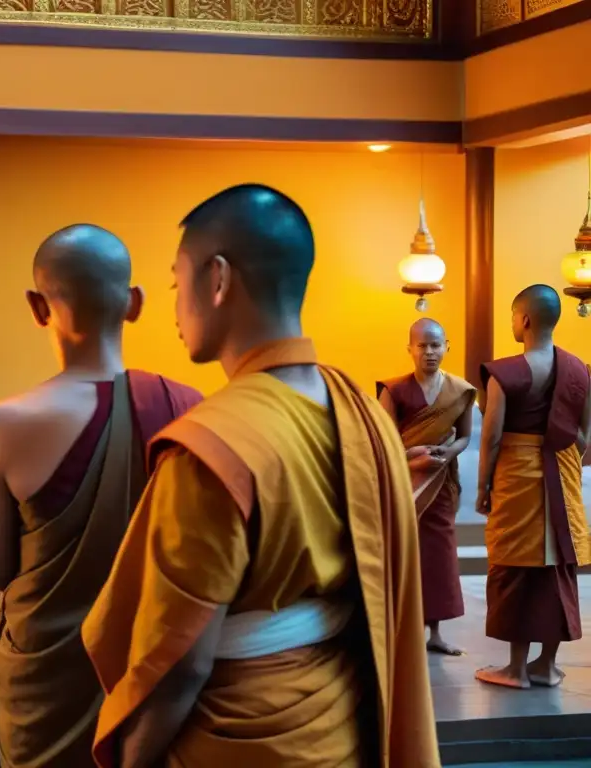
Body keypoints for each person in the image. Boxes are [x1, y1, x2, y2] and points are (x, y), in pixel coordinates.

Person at [81, 184, 439, 767]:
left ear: (217, 280)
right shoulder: (362, 411)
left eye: (178, 283)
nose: (174, 306)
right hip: (342, 720)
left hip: (236, 739)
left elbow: (180, 664)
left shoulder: (211, 445)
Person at [0, 224, 201, 768]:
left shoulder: (7, 422)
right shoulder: (186, 407)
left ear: (36, 307)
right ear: (134, 304)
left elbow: (0, 572)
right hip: (148, 673)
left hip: (44, 680)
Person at [475, 284, 591, 689]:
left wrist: (483, 487)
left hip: (518, 477)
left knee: (515, 569)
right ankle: (546, 665)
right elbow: (584, 436)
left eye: (511, 317)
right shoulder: (580, 370)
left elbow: (490, 437)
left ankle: (515, 669)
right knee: (556, 568)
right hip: (561, 474)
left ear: (523, 320)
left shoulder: (506, 372)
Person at [377, 318, 475, 656]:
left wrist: (449, 454)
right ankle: (403, 630)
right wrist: (412, 458)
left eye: (436, 344)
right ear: (410, 349)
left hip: (441, 484)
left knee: (439, 557)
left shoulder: (460, 391)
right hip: (406, 484)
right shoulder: (394, 390)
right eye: (422, 345)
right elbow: (383, 442)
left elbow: (464, 436)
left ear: (447, 346)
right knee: (404, 554)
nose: (429, 352)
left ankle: (435, 632)